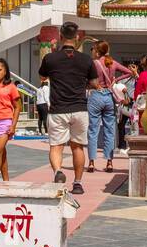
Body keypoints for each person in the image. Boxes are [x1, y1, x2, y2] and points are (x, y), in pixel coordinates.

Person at [38, 21, 97, 195]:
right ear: (77, 37)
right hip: (79, 108)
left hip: (58, 109)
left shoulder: (50, 58)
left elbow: (42, 77)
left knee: (56, 146)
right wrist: (81, 84)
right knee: (77, 147)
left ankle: (58, 171)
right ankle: (77, 183)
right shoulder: (86, 60)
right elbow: (94, 83)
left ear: (60, 37)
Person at [89, 42, 132, 172]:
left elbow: (88, 80)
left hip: (96, 95)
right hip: (109, 97)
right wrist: (116, 80)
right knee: (110, 130)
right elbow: (130, 72)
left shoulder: (94, 63)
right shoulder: (112, 63)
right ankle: (109, 162)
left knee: (93, 130)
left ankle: (91, 162)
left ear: (97, 51)